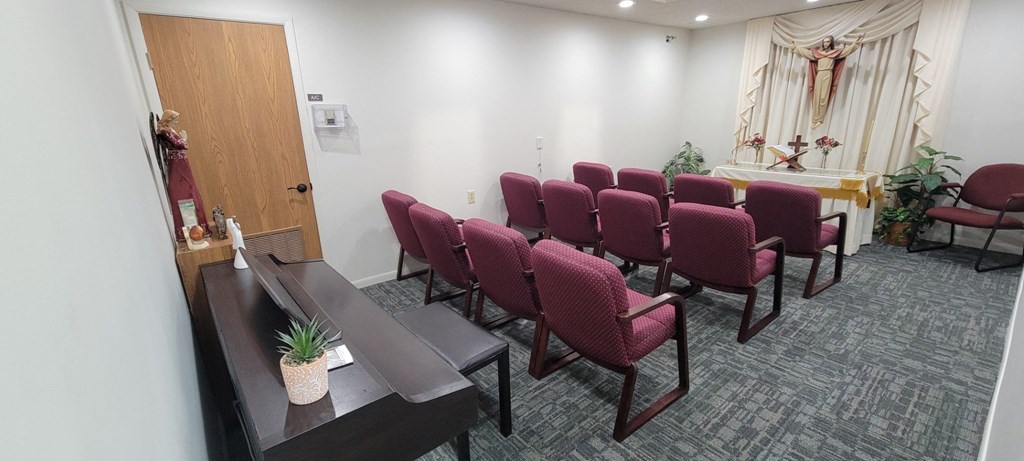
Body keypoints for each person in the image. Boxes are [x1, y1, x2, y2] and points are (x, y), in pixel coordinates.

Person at [157, 109, 210, 240]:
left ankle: (199, 227)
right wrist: (184, 139)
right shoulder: (165, 131)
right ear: (169, 119)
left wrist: (183, 141)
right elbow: (179, 144)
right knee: (184, 187)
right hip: (177, 162)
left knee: (190, 187)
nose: (177, 121)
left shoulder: (170, 130)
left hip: (180, 160)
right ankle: (189, 229)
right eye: (175, 119)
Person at [791, 34, 864, 128]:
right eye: (824, 42)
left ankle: (820, 119)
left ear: (831, 43)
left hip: (827, 74)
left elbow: (847, 51)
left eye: (827, 41)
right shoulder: (818, 54)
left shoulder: (834, 53)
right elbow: (805, 53)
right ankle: (814, 119)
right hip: (819, 74)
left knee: (823, 97)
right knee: (816, 97)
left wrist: (856, 42)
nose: (825, 43)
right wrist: (795, 46)